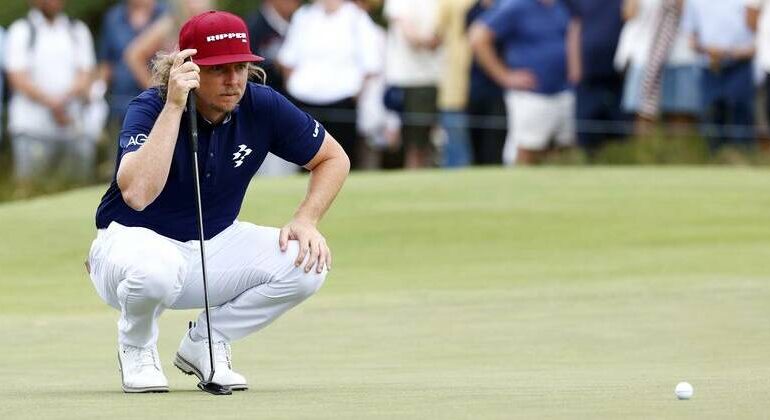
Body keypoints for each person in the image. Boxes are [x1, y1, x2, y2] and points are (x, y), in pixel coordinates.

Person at [86, 11, 350, 393]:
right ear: (187, 68)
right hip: (128, 251)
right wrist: (175, 107)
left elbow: (333, 158)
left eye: (240, 66)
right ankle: (136, 347)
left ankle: (206, 341)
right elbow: (137, 195)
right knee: (157, 269)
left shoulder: (261, 106)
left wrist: (306, 219)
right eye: (218, 69)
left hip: (212, 247)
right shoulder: (150, 108)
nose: (233, 80)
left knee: (307, 264)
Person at [277, 0, 381, 169]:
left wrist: (355, 94)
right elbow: (288, 59)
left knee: (342, 159)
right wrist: (293, 87)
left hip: (342, 101)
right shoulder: (304, 16)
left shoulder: (356, 17)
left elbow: (371, 64)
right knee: (305, 161)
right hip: (305, 101)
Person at [4, 0, 97, 188]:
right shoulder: (21, 30)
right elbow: (17, 77)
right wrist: (52, 103)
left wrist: (62, 101)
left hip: (72, 128)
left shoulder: (77, 30)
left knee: (75, 189)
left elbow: (86, 73)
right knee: (29, 190)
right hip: (31, 129)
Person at [470, 0, 575, 165]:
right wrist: (504, 76)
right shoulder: (516, 5)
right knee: (527, 150)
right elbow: (478, 36)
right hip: (531, 94)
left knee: (563, 152)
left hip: (564, 91)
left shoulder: (562, 6)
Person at [97, 0, 167, 178]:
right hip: (121, 105)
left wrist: (155, 93)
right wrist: (96, 98)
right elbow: (107, 63)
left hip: (159, 106)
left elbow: (134, 56)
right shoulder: (113, 18)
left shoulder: (167, 13)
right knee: (122, 167)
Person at [682, 0, 755, 151]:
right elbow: (690, 36)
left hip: (740, 65)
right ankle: (713, 161)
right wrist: (707, 50)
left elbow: (757, 31)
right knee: (711, 119)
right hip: (709, 66)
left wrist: (730, 52)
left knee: (740, 116)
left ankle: (743, 160)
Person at [383, 0, 442, 169]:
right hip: (410, 82)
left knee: (427, 144)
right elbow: (412, 37)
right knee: (415, 146)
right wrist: (435, 41)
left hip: (435, 79)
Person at [565, 0, 626, 156]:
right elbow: (575, 26)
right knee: (585, 133)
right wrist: (574, 67)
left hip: (618, 78)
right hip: (588, 76)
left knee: (621, 134)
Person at [124, 0, 214, 90]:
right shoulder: (169, 26)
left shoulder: (212, 27)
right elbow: (134, 55)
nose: (197, 4)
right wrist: (156, 91)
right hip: (175, 94)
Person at [465, 0, 507, 166]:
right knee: (477, 147)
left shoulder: (506, 8)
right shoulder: (472, 11)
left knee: (494, 148)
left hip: (500, 92)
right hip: (477, 88)